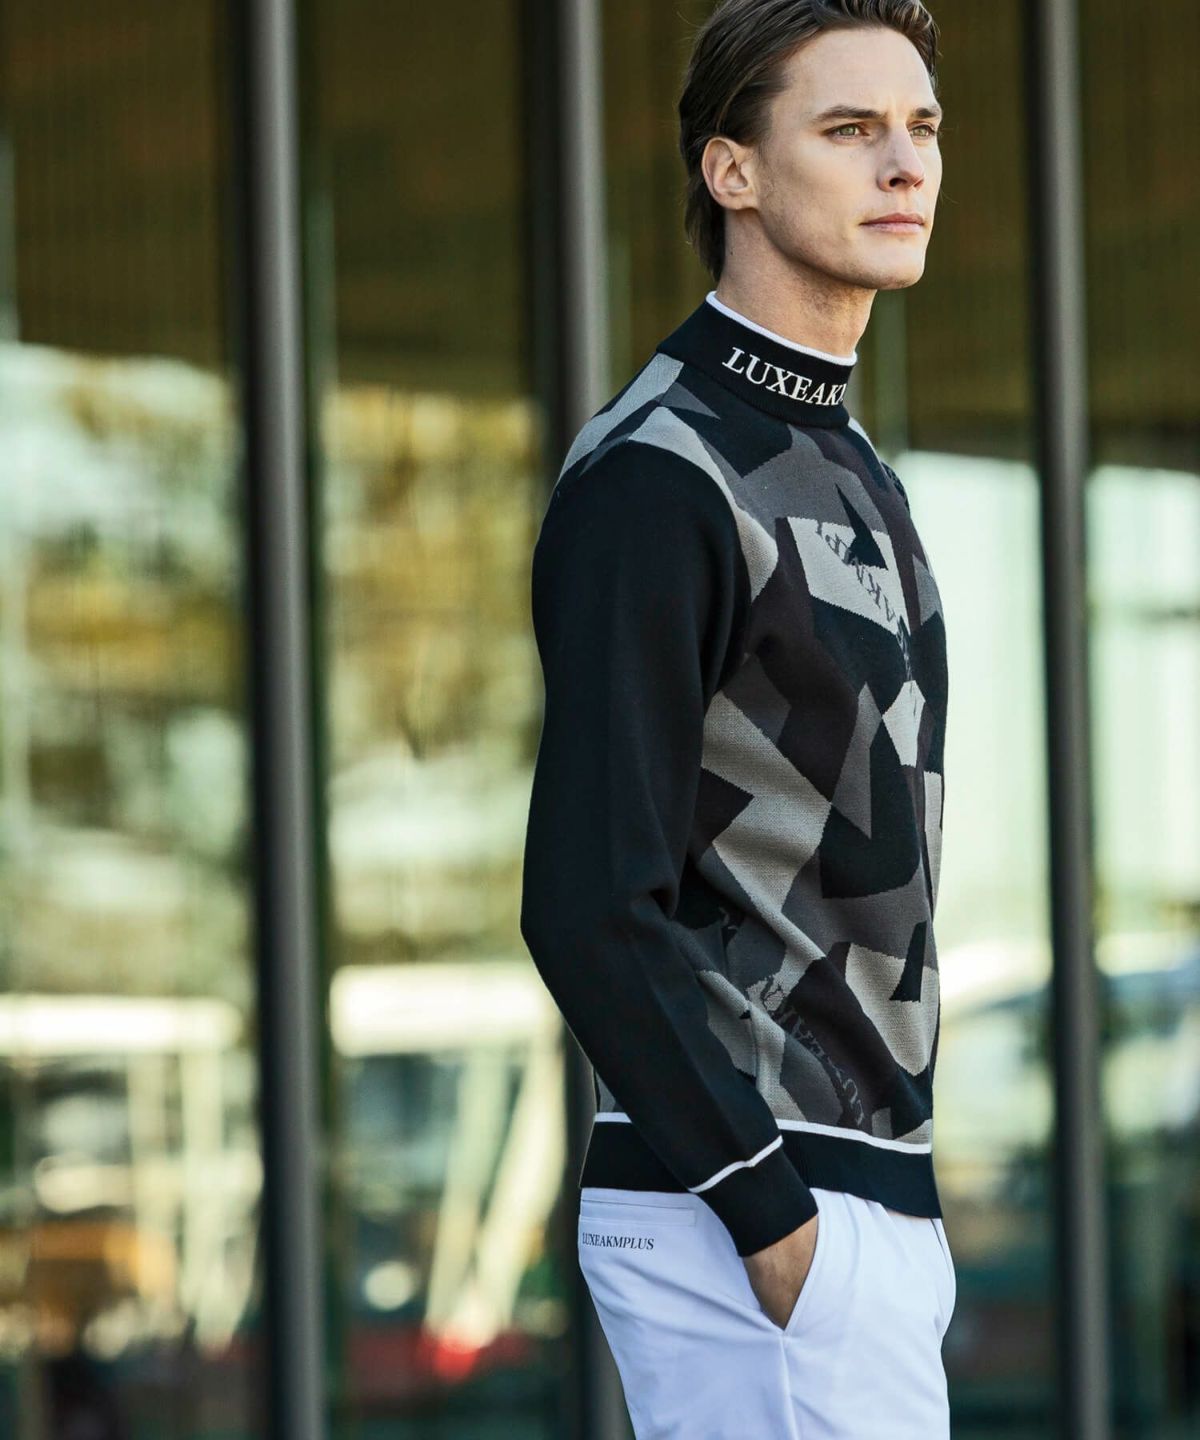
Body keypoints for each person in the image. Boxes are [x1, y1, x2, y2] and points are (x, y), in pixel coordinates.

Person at [520, 1, 954, 1433]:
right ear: (734, 172)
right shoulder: (662, 474)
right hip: (755, 1212)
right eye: (849, 129)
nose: (905, 163)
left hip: (861, 1199)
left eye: (921, 127)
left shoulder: (848, 459)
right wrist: (770, 1217)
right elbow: (589, 897)